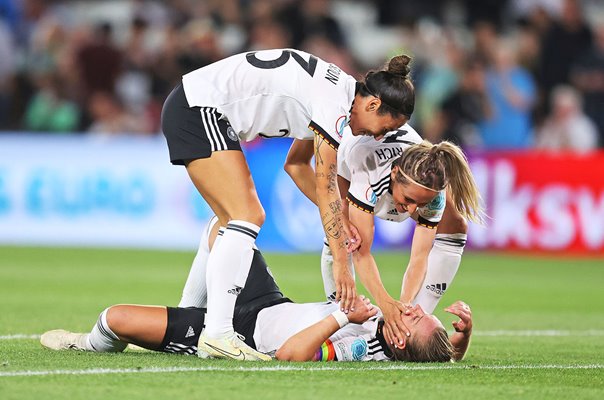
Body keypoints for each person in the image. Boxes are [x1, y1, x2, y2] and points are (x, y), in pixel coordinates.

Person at [160, 48, 415, 360]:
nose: (379, 138)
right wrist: (341, 264)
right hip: (200, 109)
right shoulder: (334, 105)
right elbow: (325, 182)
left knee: (233, 220)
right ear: (373, 104)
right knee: (247, 215)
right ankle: (218, 333)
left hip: (193, 103)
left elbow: (296, 165)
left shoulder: (334, 92)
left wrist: (341, 222)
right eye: (385, 128)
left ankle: (192, 318)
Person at [40, 218, 473, 363]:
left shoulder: (360, 347)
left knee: (114, 318)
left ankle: (87, 345)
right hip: (267, 302)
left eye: (416, 318)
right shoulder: (400, 331)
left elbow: (288, 356)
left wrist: (343, 317)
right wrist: (461, 339)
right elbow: (436, 354)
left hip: (247, 337)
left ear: (397, 339)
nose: (413, 309)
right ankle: (194, 316)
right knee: (224, 227)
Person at [317, 135, 483, 350]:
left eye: (422, 203)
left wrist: (404, 308)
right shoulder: (369, 174)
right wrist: (386, 304)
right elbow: (362, 254)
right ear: (395, 175)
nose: (413, 209)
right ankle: (339, 316)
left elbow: (419, 257)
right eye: (410, 200)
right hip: (347, 170)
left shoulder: (434, 195)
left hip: (390, 174)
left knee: (456, 225)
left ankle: (411, 333)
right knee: (343, 235)